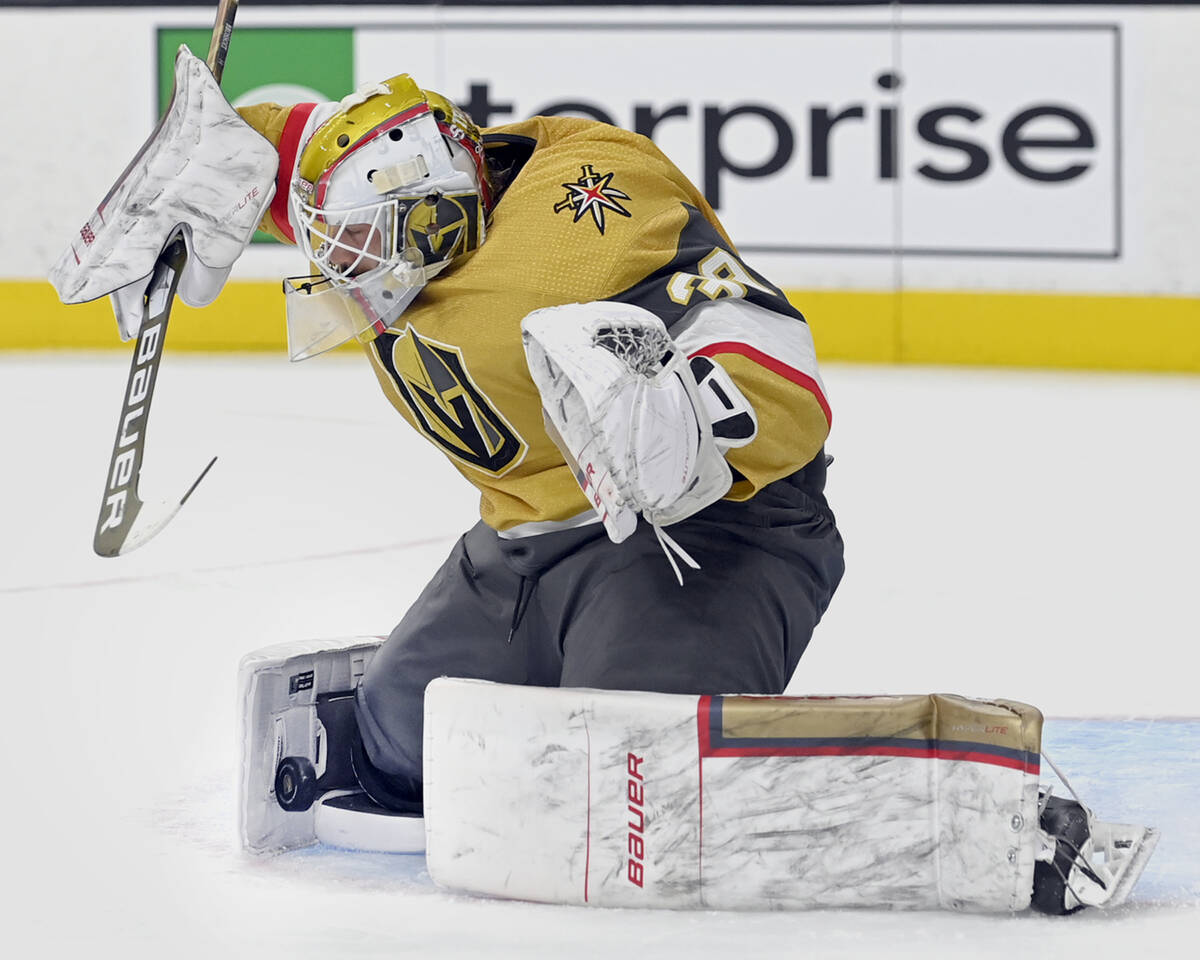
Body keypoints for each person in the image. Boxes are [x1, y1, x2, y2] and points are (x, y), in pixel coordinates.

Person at [235, 73, 844, 814]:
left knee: (631, 786)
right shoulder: (398, 236)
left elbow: (765, 357)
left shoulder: (578, 221)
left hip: (702, 531)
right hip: (525, 540)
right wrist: (230, 155)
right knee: (395, 747)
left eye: (357, 244)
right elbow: (298, 147)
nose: (340, 266)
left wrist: (698, 422)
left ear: (431, 216)